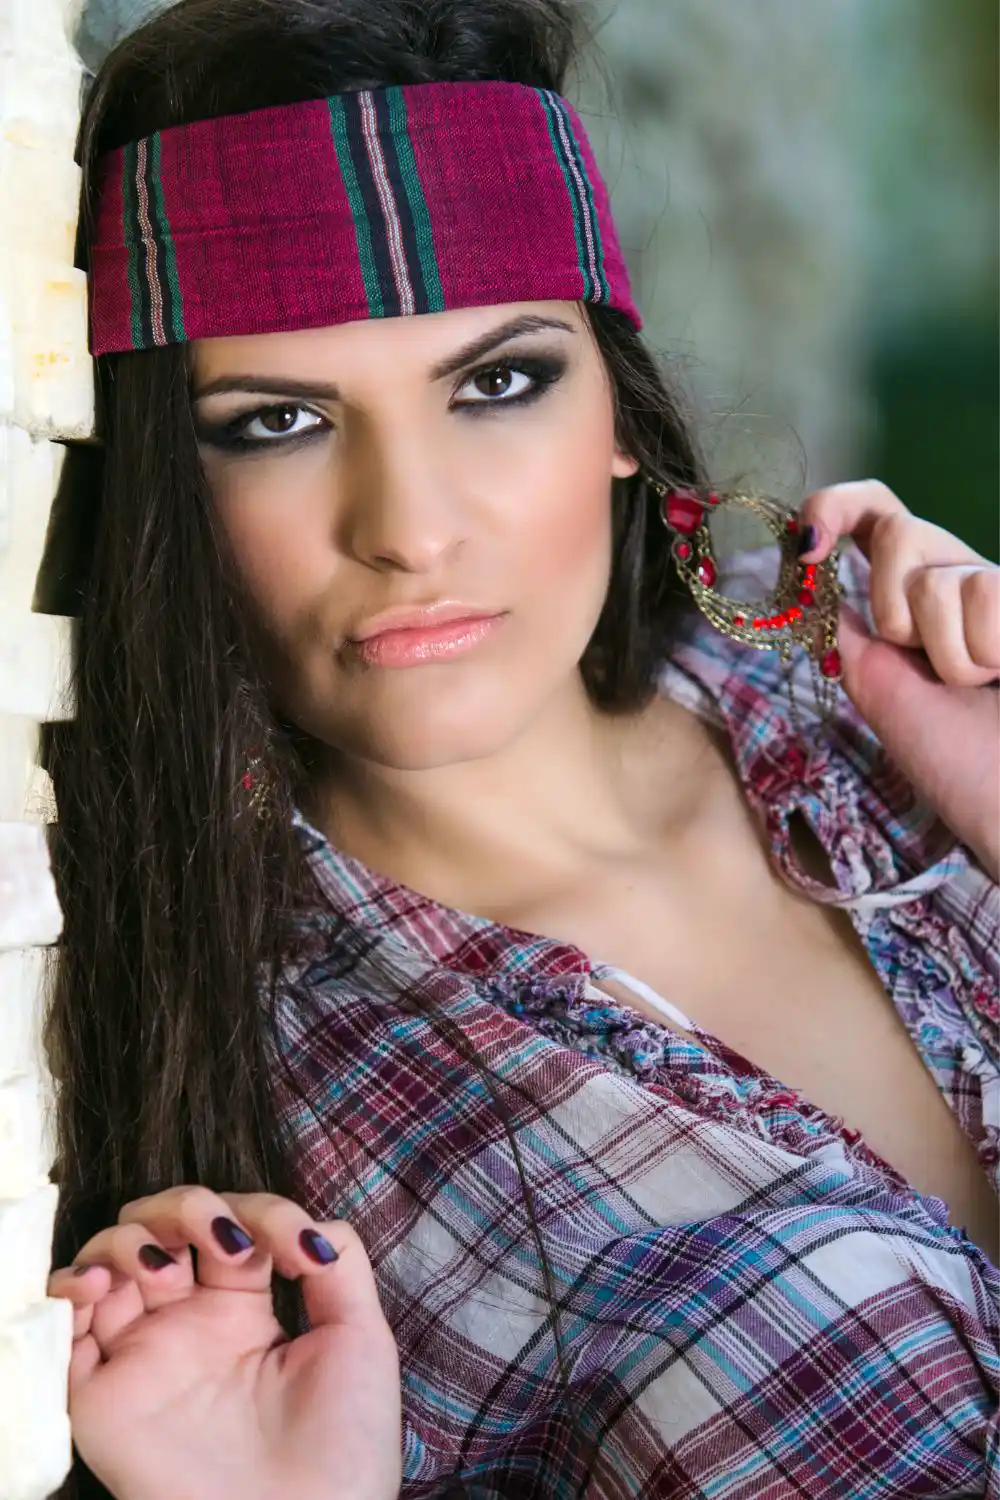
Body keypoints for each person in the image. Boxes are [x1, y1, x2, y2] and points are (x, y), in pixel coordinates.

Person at [42, 0, 999, 1496]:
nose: (410, 528)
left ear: (621, 410)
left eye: (497, 383)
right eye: (278, 422)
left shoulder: (881, 697)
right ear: (172, 491)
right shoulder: (270, 1106)